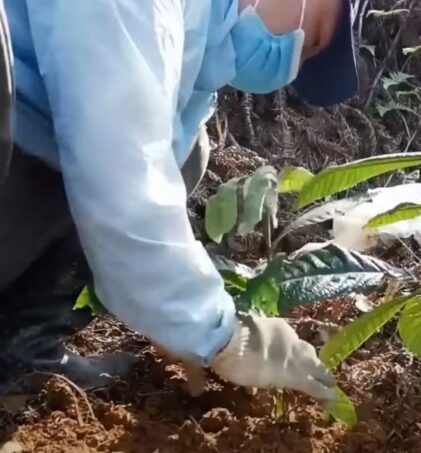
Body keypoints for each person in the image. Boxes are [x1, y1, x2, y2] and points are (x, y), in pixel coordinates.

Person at [0, 0, 358, 401]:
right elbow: (121, 169)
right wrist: (215, 332)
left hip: (25, 137)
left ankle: (25, 347)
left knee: (185, 154)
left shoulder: (196, 36)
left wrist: (169, 312)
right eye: (310, 43)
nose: (288, 67)